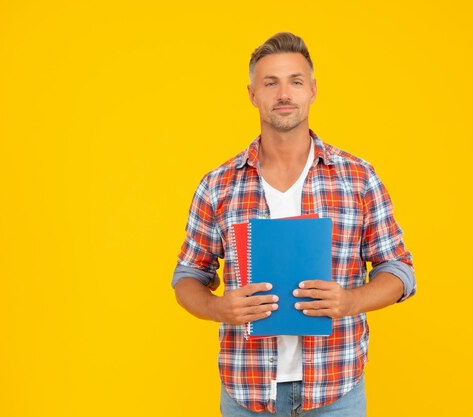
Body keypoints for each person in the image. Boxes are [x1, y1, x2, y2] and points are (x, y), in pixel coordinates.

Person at [172, 32, 416, 416]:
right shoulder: (217, 185)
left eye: (295, 81)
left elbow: (400, 271)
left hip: (337, 388)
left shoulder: (358, 178)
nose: (283, 93)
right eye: (271, 83)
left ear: (313, 90)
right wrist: (220, 308)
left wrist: (349, 300)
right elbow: (187, 276)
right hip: (246, 390)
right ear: (253, 94)